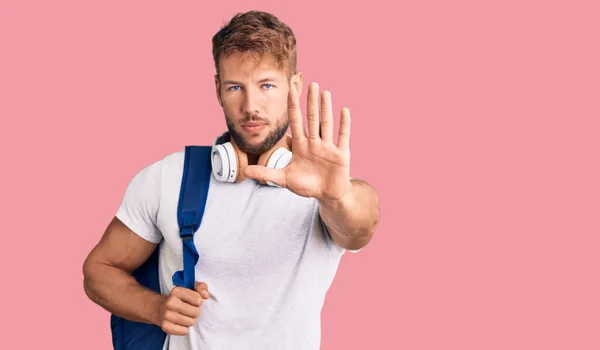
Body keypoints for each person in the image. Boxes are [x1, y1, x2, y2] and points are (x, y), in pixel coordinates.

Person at [82, 10, 380, 350]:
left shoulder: (323, 187)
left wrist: (336, 195)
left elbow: (360, 229)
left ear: (293, 86)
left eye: (267, 85)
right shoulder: (170, 177)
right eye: (236, 87)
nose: (251, 106)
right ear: (217, 89)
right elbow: (98, 270)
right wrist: (156, 308)